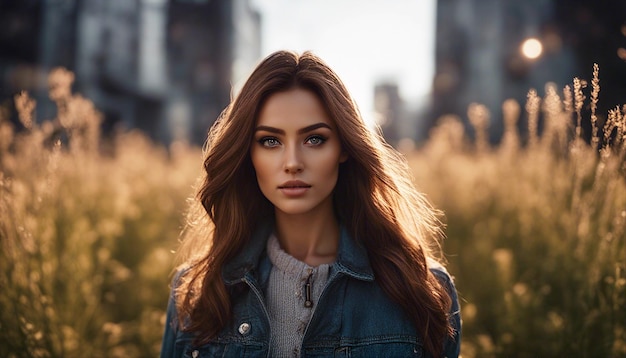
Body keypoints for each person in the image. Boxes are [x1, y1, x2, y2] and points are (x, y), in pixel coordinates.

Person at [160, 50, 461, 358]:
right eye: (270, 141)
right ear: (248, 154)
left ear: (344, 147)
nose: (292, 163)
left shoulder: (422, 290)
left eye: (314, 139)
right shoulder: (197, 292)